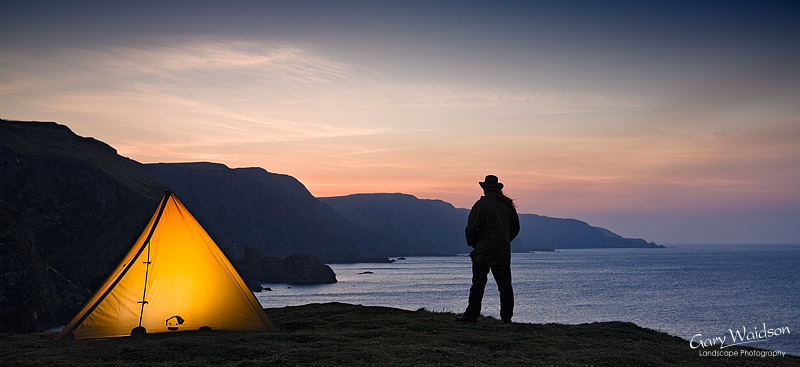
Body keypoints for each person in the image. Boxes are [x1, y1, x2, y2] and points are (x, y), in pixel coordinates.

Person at [456, 175, 520, 324]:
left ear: (485, 189)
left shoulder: (481, 205)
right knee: (505, 286)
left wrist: (473, 243)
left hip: (483, 251)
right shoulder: (507, 206)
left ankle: (471, 315)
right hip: (502, 251)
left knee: (478, 284)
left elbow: (472, 227)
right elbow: (515, 228)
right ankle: (506, 318)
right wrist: (504, 240)